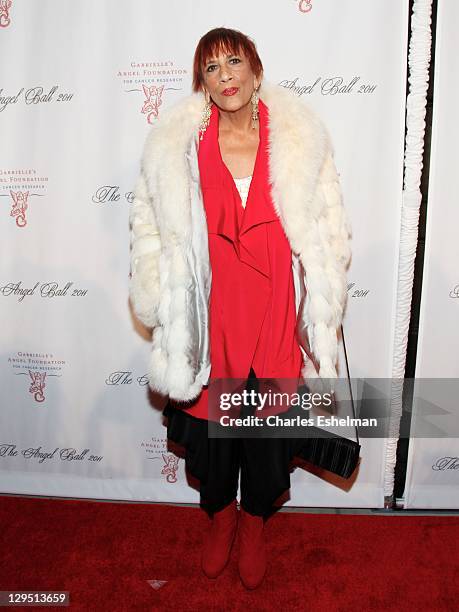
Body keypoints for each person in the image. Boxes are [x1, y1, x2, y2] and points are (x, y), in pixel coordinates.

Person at [128, 27, 352, 589]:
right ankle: (221, 519)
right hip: (212, 314)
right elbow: (151, 225)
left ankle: (253, 523)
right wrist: (155, 289)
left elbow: (326, 227)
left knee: (266, 442)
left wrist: (323, 302)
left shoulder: (298, 138)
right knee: (214, 444)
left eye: (234, 62)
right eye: (211, 68)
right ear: (201, 82)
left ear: (255, 70)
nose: (225, 75)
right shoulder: (178, 144)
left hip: (274, 308)